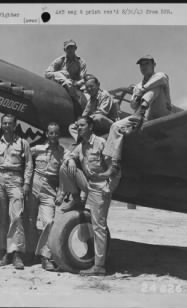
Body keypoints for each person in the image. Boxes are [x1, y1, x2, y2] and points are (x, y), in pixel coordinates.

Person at [59, 116, 121, 276]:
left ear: (91, 127)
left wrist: (109, 188)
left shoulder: (101, 142)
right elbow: (69, 155)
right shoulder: (81, 146)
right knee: (65, 166)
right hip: (88, 185)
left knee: (98, 227)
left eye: (82, 125)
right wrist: (71, 160)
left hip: (100, 189)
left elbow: (115, 169)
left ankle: (99, 266)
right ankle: (76, 199)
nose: (79, 128)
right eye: (77, 125)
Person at [102, 55, 172, 165]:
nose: (144, 67)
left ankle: (140, 113)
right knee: (115, 126)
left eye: (147, 64)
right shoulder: (138, 86)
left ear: (154, 65)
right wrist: (137, 96)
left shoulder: (160, 75)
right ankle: (111, 161)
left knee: (155, 87)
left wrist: (142, 90)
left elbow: (161, 79)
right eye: (141, 65)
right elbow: (133, 106)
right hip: (145, 117)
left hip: (163, 113)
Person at [24, 122, 69, 271]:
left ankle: (45, 256)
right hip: (33, 186)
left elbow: (67, 171)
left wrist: (62, 193)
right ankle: (30, 253)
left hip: (49, 189)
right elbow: (23, 157)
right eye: (51, 133)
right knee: (29, 221)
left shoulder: (64, 153)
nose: (53, 136)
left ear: (59, 135)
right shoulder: (37, 149)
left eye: (56, 133)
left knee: (49, 222)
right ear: (46, 134)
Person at [0, 114, 33, 270]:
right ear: (1, 125)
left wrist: (27, 183)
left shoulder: (23, 144)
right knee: (0, 218)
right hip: (0, 179)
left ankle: (16, 254)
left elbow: (28, 164)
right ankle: (3, 253)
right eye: (4, 123)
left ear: (15, 126)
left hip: (16, 179)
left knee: (16, 216)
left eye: (10, 123)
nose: (7, 126)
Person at [69, 74, 119, 141]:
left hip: (111, 124)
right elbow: (85, 114)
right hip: (94, 121)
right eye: (87, 87)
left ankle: (89, 137)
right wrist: (79, 121)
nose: (89, 89)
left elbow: (102, 113)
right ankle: (81, 140)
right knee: (72, 127)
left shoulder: (105, 95)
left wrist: (86, 120)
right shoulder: (91, 99)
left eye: (91, 86)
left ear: (98, 85)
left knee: (98, 117)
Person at [45, 39, 88, 112]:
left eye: (72, 47)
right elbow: (47, 73)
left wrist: (76, 83)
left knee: (88, 95)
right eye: (68, 48)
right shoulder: (60, 60)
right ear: (64, 50)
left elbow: (82, 78)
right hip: (61, 82)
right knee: (62, 77)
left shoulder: (81, 62)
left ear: (75, 48)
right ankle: (76, 101)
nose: (70, 50)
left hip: (76, 85)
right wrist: (62, 73)